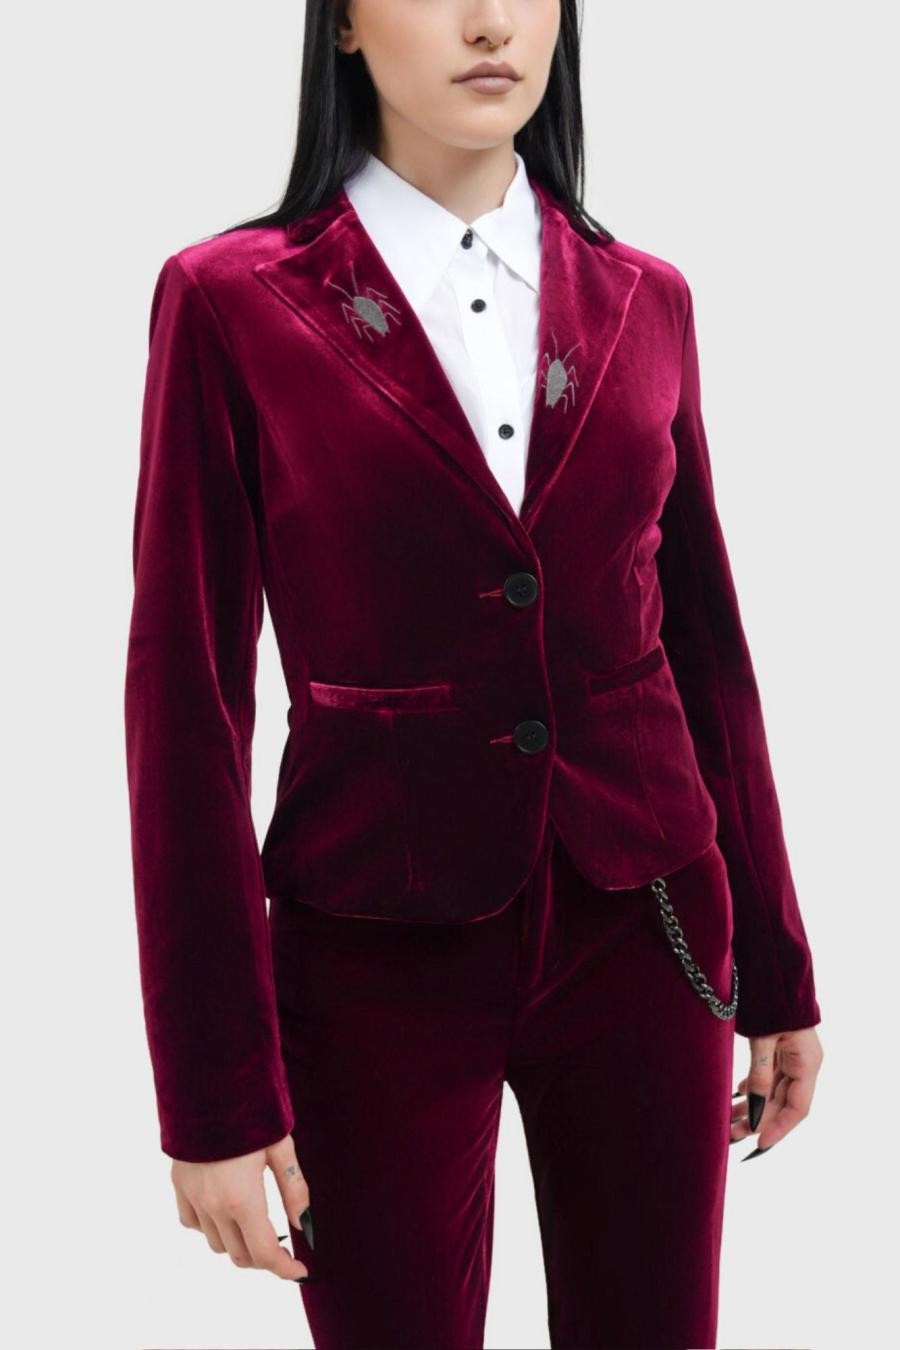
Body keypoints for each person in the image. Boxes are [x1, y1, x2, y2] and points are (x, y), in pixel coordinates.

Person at [123, 2, 824, 1346]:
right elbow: (185, 700)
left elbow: (707, 648)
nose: (491, 22)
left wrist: (781, 970)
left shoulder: (647, 299)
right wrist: (211, 1094)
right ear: (342, 24)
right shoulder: (233, 301)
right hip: (370, 946)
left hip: (649, 923)